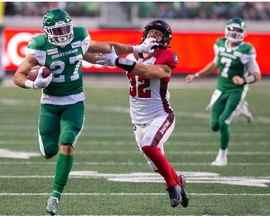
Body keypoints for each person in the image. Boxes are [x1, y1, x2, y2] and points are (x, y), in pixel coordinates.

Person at [13, 8, 156, 215]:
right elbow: (18, 74)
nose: (63, 33)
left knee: (67, 143)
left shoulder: (79, 36)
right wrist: (33, 84)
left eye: (65, 28)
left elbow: (107, 47)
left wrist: (136, 48)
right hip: (50, 104)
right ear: (47, 32)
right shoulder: (39, 46)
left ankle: (55, 195)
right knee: (49, 151)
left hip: (74, 102)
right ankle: (53, 166)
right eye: (58, 29)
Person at [97, 20, 189, 208]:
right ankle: (177, 179)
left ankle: (172, 186)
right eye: (151, 33)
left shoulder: (168, 55)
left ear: (166, 39)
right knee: (155, 164)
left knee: (149, 144)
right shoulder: (135, 52)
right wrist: (82, 51)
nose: (154, 36)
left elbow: (150, 72)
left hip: (161, 115)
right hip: (138, 119)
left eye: (158, 34)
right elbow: (101, 49)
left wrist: (117, 60)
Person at [185, 17, 261, 166]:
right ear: (227, 29)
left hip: (236, 90)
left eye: (239, 30)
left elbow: (257, 75)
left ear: (244, 33)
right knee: (214, 126)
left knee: (223, 122)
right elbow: (215, 64)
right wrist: (196, 75)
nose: (235, 32)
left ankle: (222, 157)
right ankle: (241, 108)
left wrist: (244, 80)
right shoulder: (219, 44)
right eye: (233, 29)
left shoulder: (247, 49)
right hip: (220, 89)